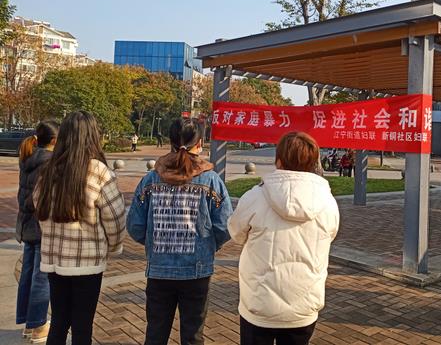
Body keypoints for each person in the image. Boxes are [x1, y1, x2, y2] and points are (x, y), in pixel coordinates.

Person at [127, 118, 233, 345]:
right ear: (200, 143)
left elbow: (135, 225)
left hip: (158, 269)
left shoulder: (150, 179)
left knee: (155, 333)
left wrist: (153, 242)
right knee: (193, 335)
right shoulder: (211, 180)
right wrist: (209, 246)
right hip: (197, 271)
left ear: (170, 141)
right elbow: (225, 226)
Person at [228, 131, 340, 345]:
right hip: (304, 305)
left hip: (259, 304)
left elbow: (236, 233)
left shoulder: (254, 197)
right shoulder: (328, 202)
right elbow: (330, 235)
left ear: (279, 160)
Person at [35, 111, 126, 345]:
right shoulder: (98, 171)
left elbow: (39, 206)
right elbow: (115, 218)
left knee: (58, 322)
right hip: (87, 261)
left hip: (55, 260)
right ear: (92, 136)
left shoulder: (49, 169)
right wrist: (113, 247)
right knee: (82, 326)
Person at [16, 120, 59, 342]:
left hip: (25, 223)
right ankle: (39, 325)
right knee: (41, 277)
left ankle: (27, 322)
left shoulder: (27, 156)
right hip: (41, 224)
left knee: (28, 273)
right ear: (55, 140)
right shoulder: (50, 162)